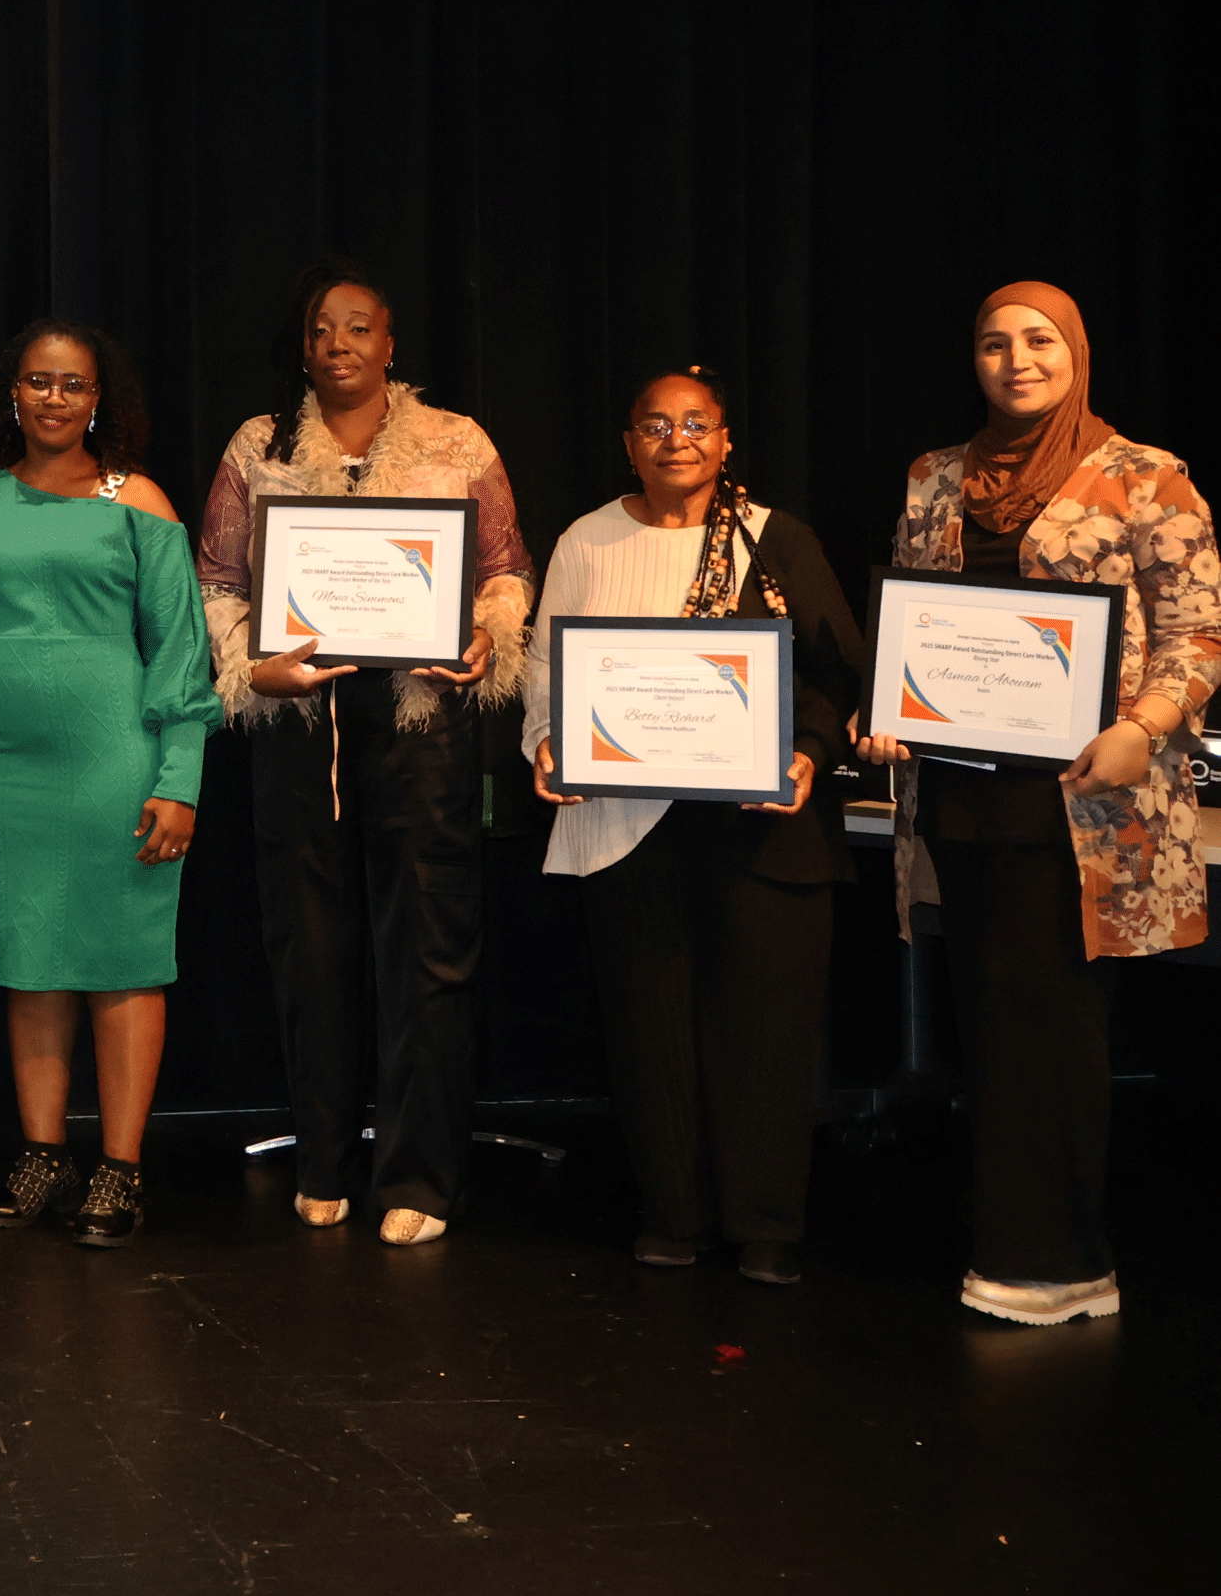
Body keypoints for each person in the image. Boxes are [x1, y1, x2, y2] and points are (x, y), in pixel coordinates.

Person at [857, 282, 1217, 1326]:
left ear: (1077, 351)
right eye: (995, 343)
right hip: (963, 808)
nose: (1018, 359)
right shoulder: (935, 477)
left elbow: (1199, 630)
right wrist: (891, 716)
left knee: (1056, 1037)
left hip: (1085, 808)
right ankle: (1016, 1244)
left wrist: (1142, 725)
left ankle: (1063, 1263)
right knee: (994, 1030)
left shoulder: (1145, 477)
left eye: (1039, 339)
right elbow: (914, 636)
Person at [195, 261, 531, 1246]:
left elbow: (506, 571)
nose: (339, 345)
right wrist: (256, 666)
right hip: (301, 730)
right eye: (322, 331)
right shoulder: (259, 446)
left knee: (428, 945)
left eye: (359, 329)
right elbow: (217, 580)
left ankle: (421, 1173)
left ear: (391, 345)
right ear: (302, 349)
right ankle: (323, 1159)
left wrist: (486, 637)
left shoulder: (455, 441)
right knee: (309, 947)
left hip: (423, 725)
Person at [526, 366, 866, 1284]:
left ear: (723, 441)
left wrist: (802, 753)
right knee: (648, 1029)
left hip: (762, 825)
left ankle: (766, 1222)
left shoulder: (776, 541)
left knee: (765, 1029)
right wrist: (548, 744)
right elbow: (543, 668)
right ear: (627, 443)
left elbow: (840, 671)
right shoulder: (584, 541)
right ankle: (671, 1213)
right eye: (652, 424)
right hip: (625, 820)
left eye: (694, 423)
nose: (675, 438)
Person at [0, 323, 219, 1248]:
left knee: (123, 963)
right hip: (0, 771)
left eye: (72, 384)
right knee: (28, 958)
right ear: (11, 393)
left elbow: (181, 653)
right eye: (36, 382)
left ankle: (120, 1169)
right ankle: (42, 1154)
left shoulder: (142, 500)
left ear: (100, 399)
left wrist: (181, 779)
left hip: (116, 765)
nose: (53, 398)